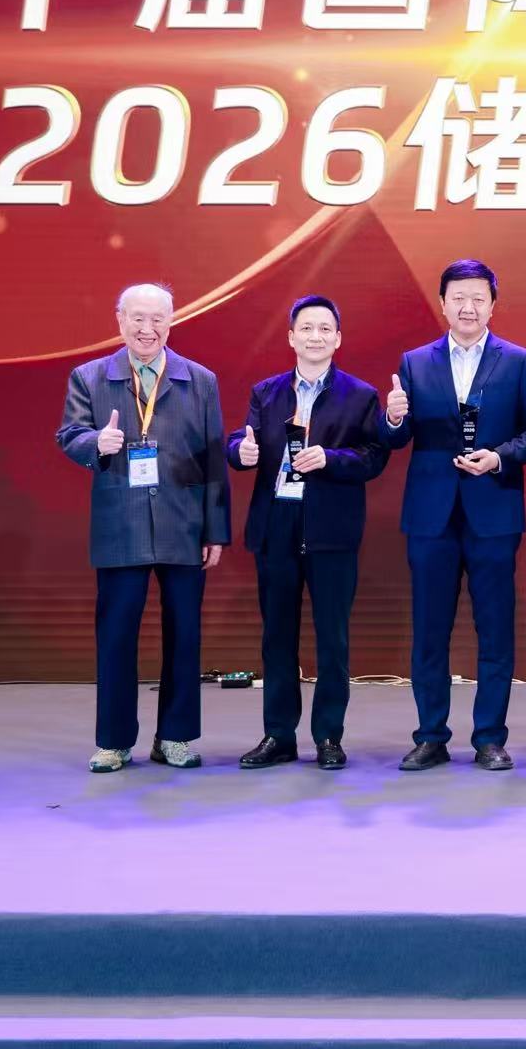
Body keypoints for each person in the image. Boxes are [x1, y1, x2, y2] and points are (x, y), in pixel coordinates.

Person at [378, 259, 526, 771]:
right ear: (443, 303)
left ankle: (490, 738)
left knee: (494, 629)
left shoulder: (518, 361)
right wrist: (393, 418)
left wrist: (499, 457)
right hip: (431, 516)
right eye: (458, 297)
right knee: (430, 630)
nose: (468, 307)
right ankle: (430, 736)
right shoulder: (415, 362)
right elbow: (396, 439)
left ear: (493, 305)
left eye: (478, 298)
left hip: (493, 511)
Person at [56, 283, 230, 773]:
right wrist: (97, 442)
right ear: (120, 320)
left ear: (171, 322)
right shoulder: (89, 377)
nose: (147, 329)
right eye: (137, 318)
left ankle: (175, 737)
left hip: (184, 525)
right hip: (121, 526)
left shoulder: (200, 380)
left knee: (185, 635)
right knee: (116, 636)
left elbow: (215, 459)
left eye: (157, 319)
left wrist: (216, 530)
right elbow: (69, 434)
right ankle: (113, 742)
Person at [226, 295, 389, 771]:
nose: (315, 336)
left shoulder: (361, 395)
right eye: (306, 328)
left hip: (331, 531)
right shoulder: (266, 392)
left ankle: (328, 737)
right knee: (276, 637)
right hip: (275, 526)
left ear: (337, 339)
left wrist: (330, 459)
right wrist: (240, 452)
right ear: (291, 337)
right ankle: (278, 736)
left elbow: (374, 456)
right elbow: (241, 440)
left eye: (324, 329)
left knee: (332, 639)